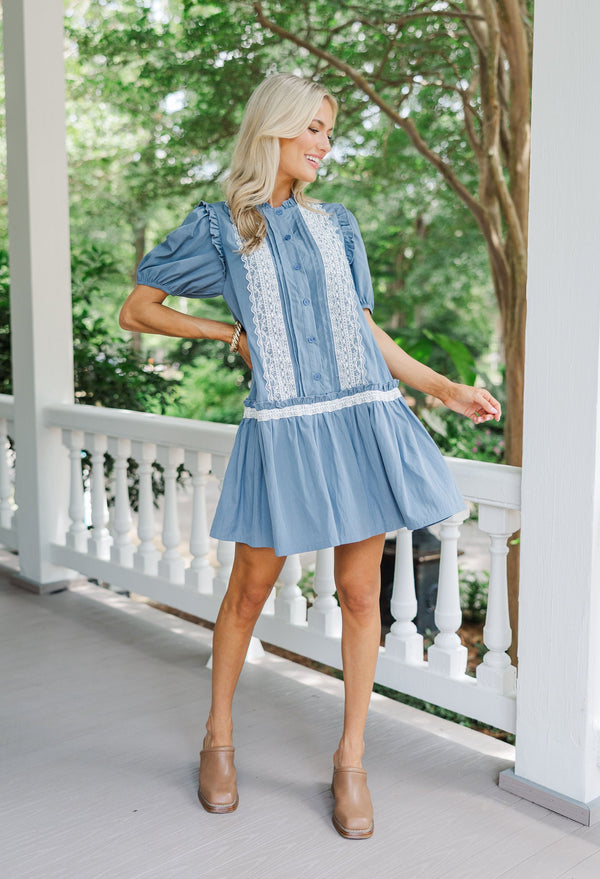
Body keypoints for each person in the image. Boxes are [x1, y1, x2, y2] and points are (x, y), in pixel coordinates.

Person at [120, 73, 501, 840]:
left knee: (362, 595)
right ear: (276, 128)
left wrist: (445, 387)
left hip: (362, 420)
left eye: (330, 130)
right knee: (249, 592)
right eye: (315, 128)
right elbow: (139, 309)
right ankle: (218, 737)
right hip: (284, 427)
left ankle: (350, 759)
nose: (326, 144)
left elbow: (364, 331)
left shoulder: (338, 226)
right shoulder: (221, 227)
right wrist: (229, 333)